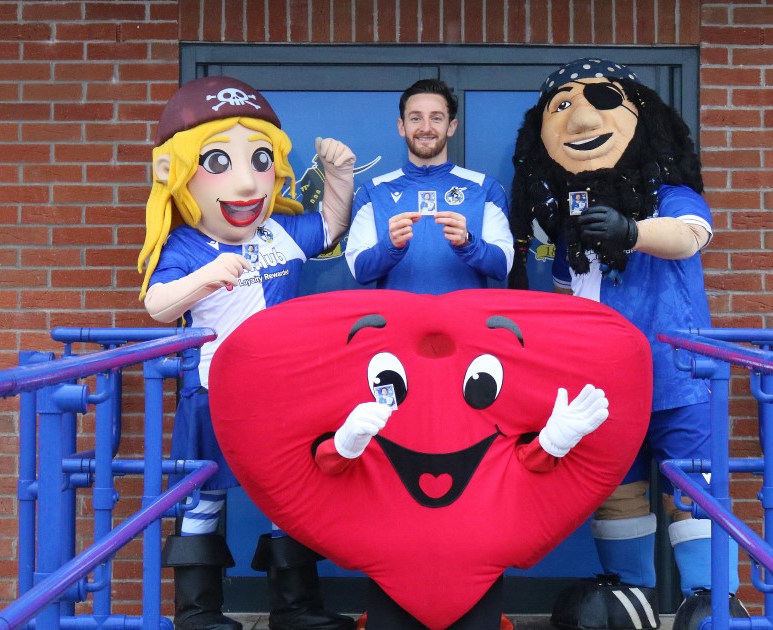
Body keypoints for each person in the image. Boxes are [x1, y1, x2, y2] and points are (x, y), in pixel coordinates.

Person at [508, 59, 748, 629]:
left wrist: (632, 231)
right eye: (561, 106)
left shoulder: (669, 190)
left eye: (598, 100)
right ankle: (629, 592)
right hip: (600, 382)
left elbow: (693, 237)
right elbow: (567, 295)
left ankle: (712, 596)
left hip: (677, 368)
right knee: (616, 488)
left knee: (695, 486)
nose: (579, 117)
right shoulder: (566, 218)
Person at [136, 75, 358, 630]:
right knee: (203, 497)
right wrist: (206, 278)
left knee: (291, 494)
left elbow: (329, 228)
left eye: (259, 159)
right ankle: (198, 614)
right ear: (178, 173)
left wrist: (340, 178)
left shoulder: (278, 232)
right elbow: (158, 305)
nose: (244, 181)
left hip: (283, 395)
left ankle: (296, 610)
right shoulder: (184, 244)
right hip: (215, 391)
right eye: (218, 162)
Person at [344, 79, 513, 294]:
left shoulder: (485, 188)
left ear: (451, 127)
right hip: (399, 323)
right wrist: (390, 245)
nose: (425, 128)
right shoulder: (373, 191)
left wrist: (468, 242)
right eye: (415, 118)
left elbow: (502, 267)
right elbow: (360, 271)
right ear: (401, 126)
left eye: (436, 118)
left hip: (462, 324)